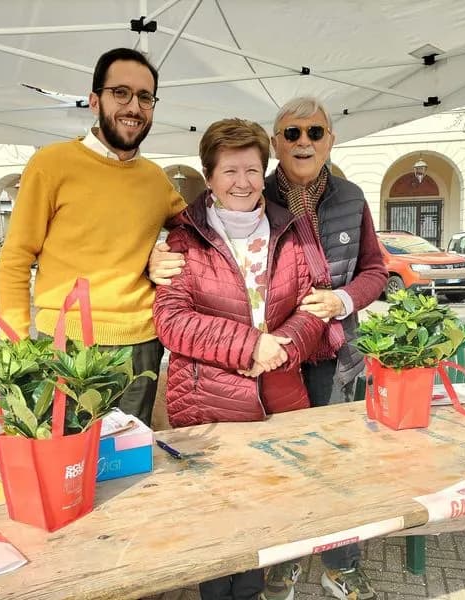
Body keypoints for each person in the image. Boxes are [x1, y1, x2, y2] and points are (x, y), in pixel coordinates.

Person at [149, 97, 388, 600]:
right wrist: (250, 346)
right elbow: (171, 321)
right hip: (211, 398)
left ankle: (305, 571)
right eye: (229, 170)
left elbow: (315, 297)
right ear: (208, 176)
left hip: (287, 384)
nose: (242, 181)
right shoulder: (181, 238)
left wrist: (280, 347)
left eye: (251, 170)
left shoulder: (292, 225)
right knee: (218, 516)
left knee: (274, 500)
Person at [0, 47, 186, 426]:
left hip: (141, 346)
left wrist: (160, 252)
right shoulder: (50, 164)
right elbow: (15, 259)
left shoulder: (155, 179)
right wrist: (18, 352)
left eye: (145, 97)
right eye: (121, 93)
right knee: (67, 466)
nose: (134, 106)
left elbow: (200, 235)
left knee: (128, 466)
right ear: (94, 100)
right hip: (64, 346)